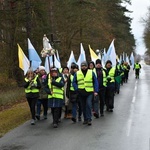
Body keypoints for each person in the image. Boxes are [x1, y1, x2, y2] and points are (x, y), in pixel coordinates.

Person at [73, 61, 99, 125]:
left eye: (85, 66)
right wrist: (76, 89)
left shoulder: (91, 72)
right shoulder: (77, 73)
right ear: (80, 67)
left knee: (88, 105)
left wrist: (96, 90)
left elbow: (95, 82)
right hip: (81, 92)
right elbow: (74, 82)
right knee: (83, 106)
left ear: (87, 66)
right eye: (82, 66)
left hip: (89, 92)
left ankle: (89, 119)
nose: (83, 67)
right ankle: (85, 119)